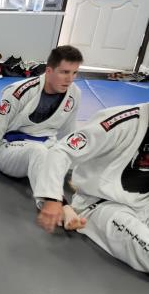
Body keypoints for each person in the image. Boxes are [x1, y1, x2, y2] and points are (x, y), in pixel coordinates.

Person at [0, 46, 84, 218]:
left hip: (46, 145)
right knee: (37, 151)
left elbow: (68, 132)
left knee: (90, 151)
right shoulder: (19, 92)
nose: (70, 79)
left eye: (74, 73)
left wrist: (73, 170)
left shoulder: (74, 94)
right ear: (49, 71)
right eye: (64, 72)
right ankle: (55, 205)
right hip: (11, 150)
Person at [35, 103, 149, 273]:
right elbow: (62, 151)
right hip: (104, 205)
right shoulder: (121, 121)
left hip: (144, 203)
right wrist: (53, 198)